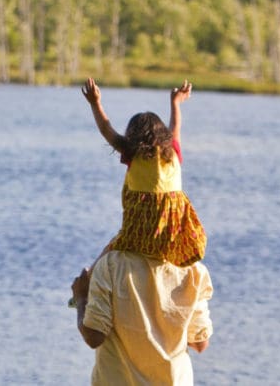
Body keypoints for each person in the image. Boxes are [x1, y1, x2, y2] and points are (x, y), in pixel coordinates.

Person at [71, 78, 214, 385]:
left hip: (134, 233)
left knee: (101, 260)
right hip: (169, 237)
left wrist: (96, 104)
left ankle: (79, 291)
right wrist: (176, 104)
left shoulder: (112, 266)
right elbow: (200, 343)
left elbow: (108, 133)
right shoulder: (192, 272)